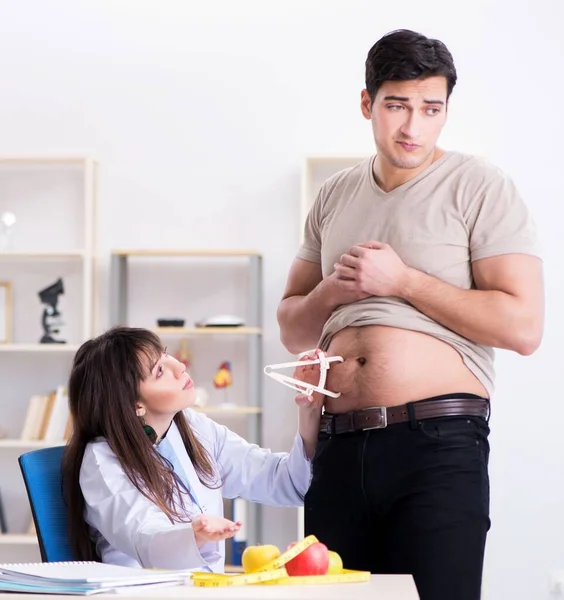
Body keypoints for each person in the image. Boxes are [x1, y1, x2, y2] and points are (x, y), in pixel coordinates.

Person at [277, 28, 544, 600]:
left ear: (447, 108)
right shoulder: (334, 195)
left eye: (431, 109)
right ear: (367, 103)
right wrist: (332, 291)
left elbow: (524, 328)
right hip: (338, 445)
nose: (412, 127)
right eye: (397, 105)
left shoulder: (480, 187)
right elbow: (291, 327)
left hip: (438, 442)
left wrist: (402, 281)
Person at [61, 326, 323, 572]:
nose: (179, 365)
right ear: (134, 405)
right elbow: (146, 537)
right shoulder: (102, 462)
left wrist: (309, 409)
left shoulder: (194, 428)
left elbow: (289, 484)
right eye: (159, 371)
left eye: (166, 355)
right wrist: (194, 534)